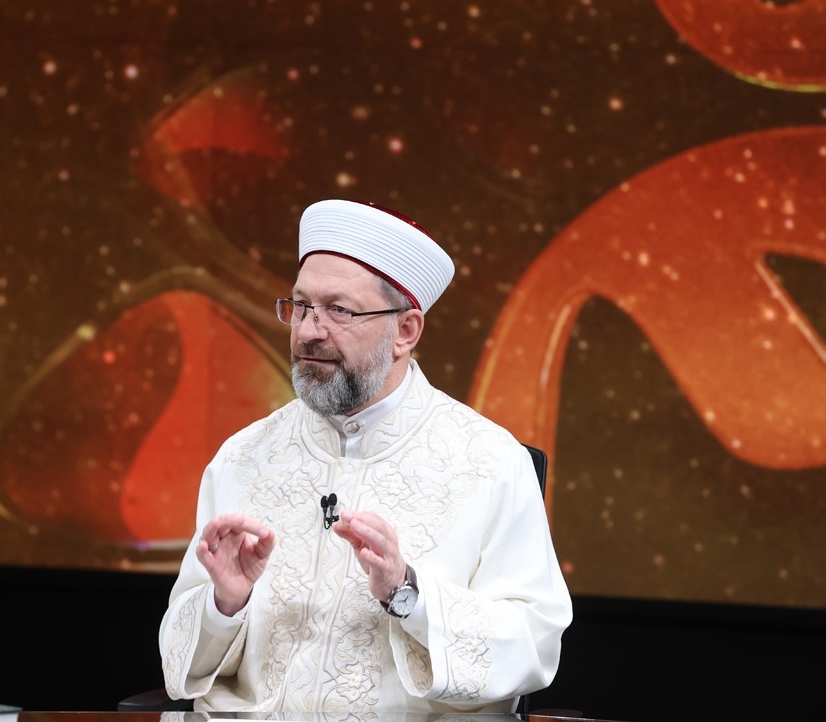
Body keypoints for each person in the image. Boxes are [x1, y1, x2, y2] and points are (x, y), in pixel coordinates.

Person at [158, 198, 572, 713]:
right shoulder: (244, 457)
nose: (308, 331)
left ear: (405, 331)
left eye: (339, 311)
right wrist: (226, 604)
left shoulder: (490, 462)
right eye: (300, 306)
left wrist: (408, 594)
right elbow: (179, 662)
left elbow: (533, 644)